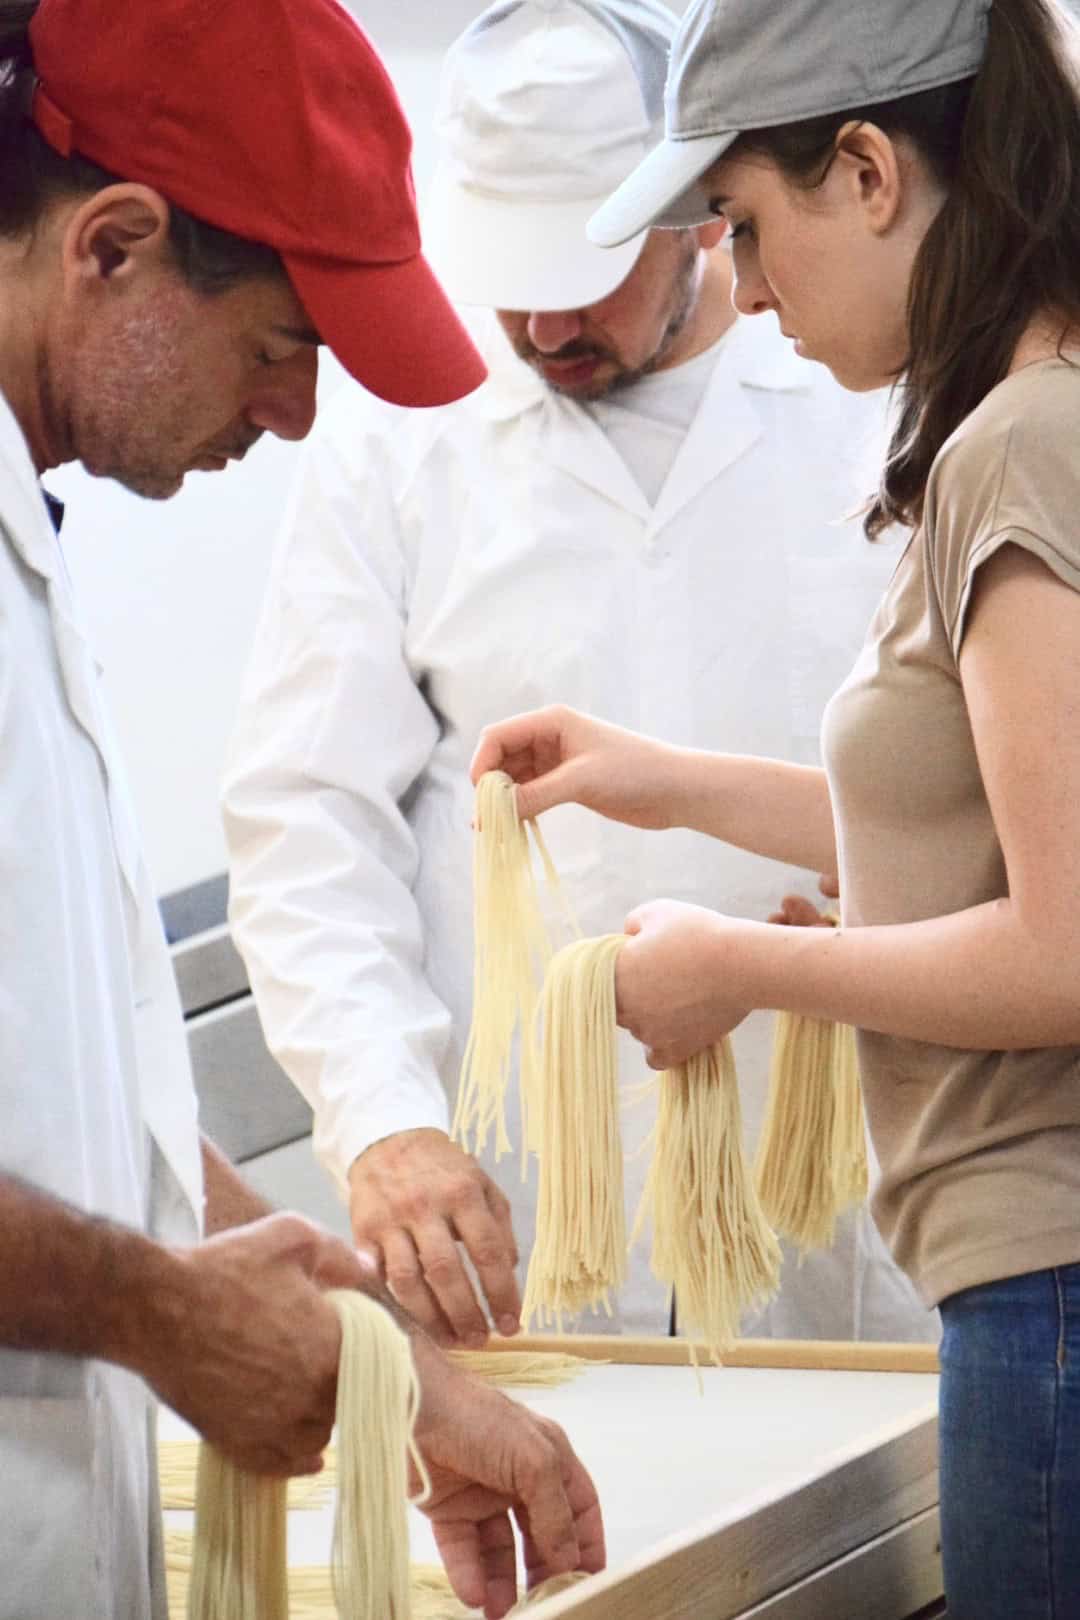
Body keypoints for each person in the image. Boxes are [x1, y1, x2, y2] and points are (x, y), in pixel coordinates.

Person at [474, 0, 1080, 1612]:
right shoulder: (1030, 416)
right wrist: (653, 776)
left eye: (746, 225)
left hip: (1054, 1289)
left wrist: (742, 973)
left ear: (869, 171)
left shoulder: (1020, 447)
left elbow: (1059, 944)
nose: (745, 290)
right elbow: (976, 823)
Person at [0, 2, 605, 1617]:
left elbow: (82, 1109)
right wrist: (158, 1314)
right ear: (113, 247)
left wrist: (391, 1366)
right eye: (282, 347)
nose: (295, 420)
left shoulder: (33, 557)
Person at [223, 0, 932, 1346]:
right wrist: (386, 1123)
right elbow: (307, 815)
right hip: (533, 1209)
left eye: (589, 268)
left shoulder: (876, 398)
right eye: (513, 272)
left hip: (855, 1189)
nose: (544, 321)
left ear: (700, 208)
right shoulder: (399, 438)